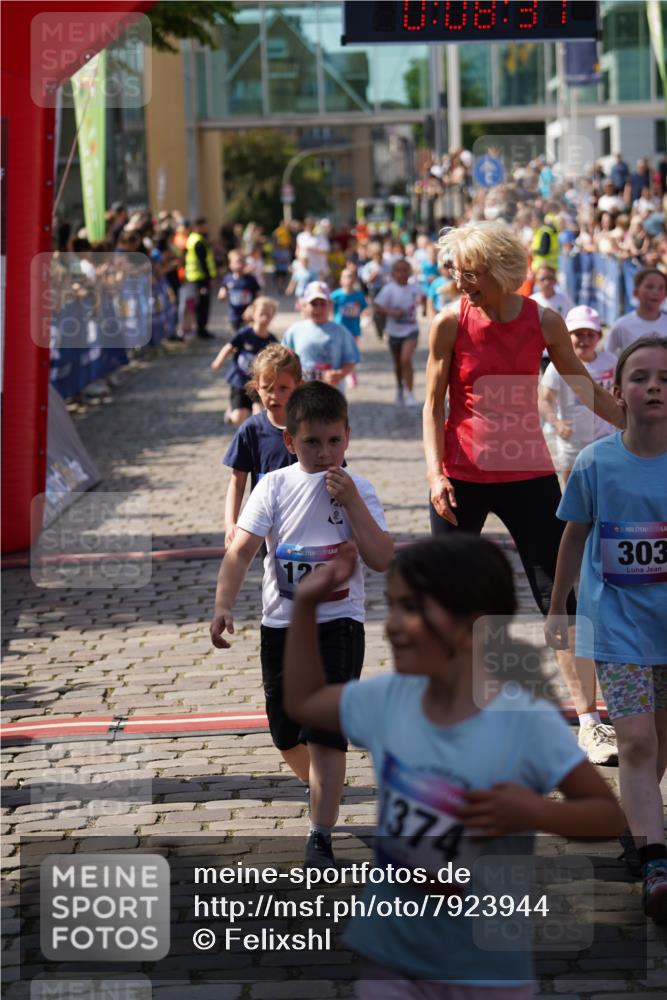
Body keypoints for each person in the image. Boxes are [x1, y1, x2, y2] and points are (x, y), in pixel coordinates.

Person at [283, 536, 624, 994]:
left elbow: (607, 816)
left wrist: (534, 811)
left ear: (471, 623)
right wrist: (306, 605)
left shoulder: (524, 721)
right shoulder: (388, 700)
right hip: (392, 956)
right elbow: (304, 702)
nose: (392, 625)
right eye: (392, 607)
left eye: (411, 609)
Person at [423, 220, 625, 764]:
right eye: (458, 273)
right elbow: (433, 405)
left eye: (471, 274)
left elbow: (583, 386)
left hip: (528, 474)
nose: (461, 283)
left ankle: (590, 721)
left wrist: (636, 425)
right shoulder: (449, 322)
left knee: (561, 598)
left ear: (503, 271)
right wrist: (436, 474)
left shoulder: (544, 320)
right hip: (462, 476)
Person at [210, 382, 393, 868]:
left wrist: (353, 504)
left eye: (334, 441)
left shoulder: (360, 490)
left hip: (338, 624)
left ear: (348, 436)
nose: (325, 452)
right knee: (285, 731)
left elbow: (381, 558)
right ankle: (325, 788)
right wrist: (223, 604)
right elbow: (241, 551)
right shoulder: (273, 486)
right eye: (312, 442)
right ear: (290, 441)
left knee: (325, 731)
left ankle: (320, 834)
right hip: (282, 625)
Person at [545, 337, 667, 922]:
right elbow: (573, 536)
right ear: (617, 391)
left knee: (660, 740)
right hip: (618, 626)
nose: (654, 386)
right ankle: (656, 864)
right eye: (640, 377)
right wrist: (558, 604)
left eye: (665, 378)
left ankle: (639, 825)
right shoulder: (596, 462)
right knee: (636, 741)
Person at [222, 344, 302, 546]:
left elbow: (334, 472)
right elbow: (237, 482)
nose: (275, 395)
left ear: (298, 386)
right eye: (268, 388)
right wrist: (231, 523)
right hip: (267, 526)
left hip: (306, 521)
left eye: (283, 388)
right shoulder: (251, 430)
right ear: (257, 387)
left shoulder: (312, 428)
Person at [539, 305, 617, 483]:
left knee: (603, 481)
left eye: (590, 334)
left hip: (605, 436)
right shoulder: (558, 366)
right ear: (567, 336)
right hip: (572, 438)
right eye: (578, 334)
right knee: (571, 480)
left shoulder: (611, 362)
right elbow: (544, 400)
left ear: (599, 336)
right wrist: (556, 423)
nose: (584, 340)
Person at [211, 296, 279, 426]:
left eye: (268, 315)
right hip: (240, 380)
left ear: (273, 317)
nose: (265, 317)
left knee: (260, 415)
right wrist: (218, 361)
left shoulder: (272, 340)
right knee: (238, 418)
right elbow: (229, 347)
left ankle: (254, 436)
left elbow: (277, 361)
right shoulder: (245, 333)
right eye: (262, 313)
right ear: (253, 314)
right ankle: (231, 411)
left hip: (259, 384)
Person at [282, 281, 360, 386]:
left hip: (331, 390)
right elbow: (284, 359)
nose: (318, 308)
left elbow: (351, 360)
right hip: (303, 390)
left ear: (330, 305)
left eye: (322, 304)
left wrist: (340, 374)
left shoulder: (341, 331)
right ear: (304, 306)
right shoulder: (295, 330)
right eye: (313, 304)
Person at [374, 258, 423, 407]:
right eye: (398, 271)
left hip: (411, 330)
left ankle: (410, 393)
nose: (402, 274)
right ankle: (400, 389)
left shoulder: (415, 288)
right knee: (398, 364)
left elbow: (423, 299)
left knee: (406, 360)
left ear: (409, 272)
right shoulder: (388, 289)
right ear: (393, 273)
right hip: (394, 332)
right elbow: (377, 307)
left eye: (405, 270)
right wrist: (392, 312)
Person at [606, 269, 667, 355]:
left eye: (661, 288)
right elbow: (607, 357)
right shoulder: (621, 326)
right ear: (636, 292)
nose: (655, 292)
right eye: (649, 287)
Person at [184, 217, 218, 339]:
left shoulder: (192, 239)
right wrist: (209, 278)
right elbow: (202, 261)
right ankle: (201, 330)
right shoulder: (198, 241)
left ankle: (200, 329)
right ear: (198, 227)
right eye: (204, 226)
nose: (206, 228)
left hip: (194, 277)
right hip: (201, 278)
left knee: (199, 304)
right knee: (203, 305)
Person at [217, 249, 261, 332]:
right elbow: (222, 293)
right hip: (234, 315)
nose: (240, 264)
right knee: (237, 335)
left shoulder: (251, 279)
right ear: (230, 264)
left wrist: (252, 307)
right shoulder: (228, 278)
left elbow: (258, 296)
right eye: (237, 261)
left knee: (248, 334)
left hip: (248, 315)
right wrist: (222, 295)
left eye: (242, 261)